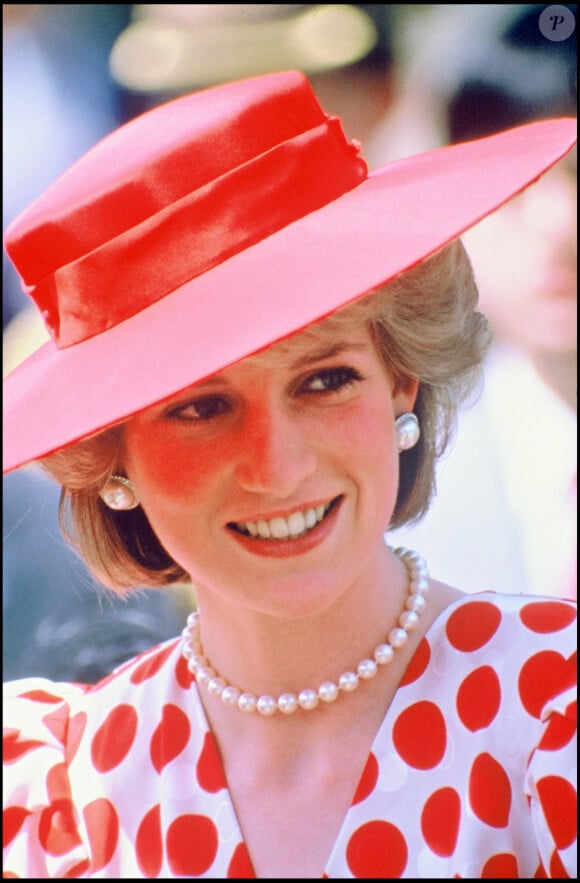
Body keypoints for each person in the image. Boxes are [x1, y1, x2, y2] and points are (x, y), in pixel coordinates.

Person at [2, 71, 576, 879]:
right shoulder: (55, 797)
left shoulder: (555, 718)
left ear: (399, 380)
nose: (279, 466)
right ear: (110, 455)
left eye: (326, 380)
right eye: (201, 407)